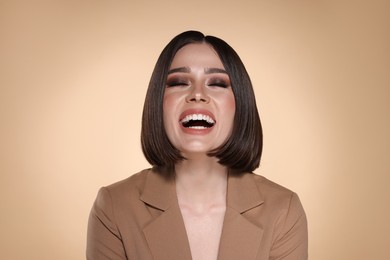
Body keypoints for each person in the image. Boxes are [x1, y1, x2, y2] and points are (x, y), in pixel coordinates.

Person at [87, 30, 308, 260]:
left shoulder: (283, 211)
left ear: (240, 104)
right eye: (180, 82)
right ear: (158, 103)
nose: (198, 94)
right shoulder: (114, 207)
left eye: (217, 83)